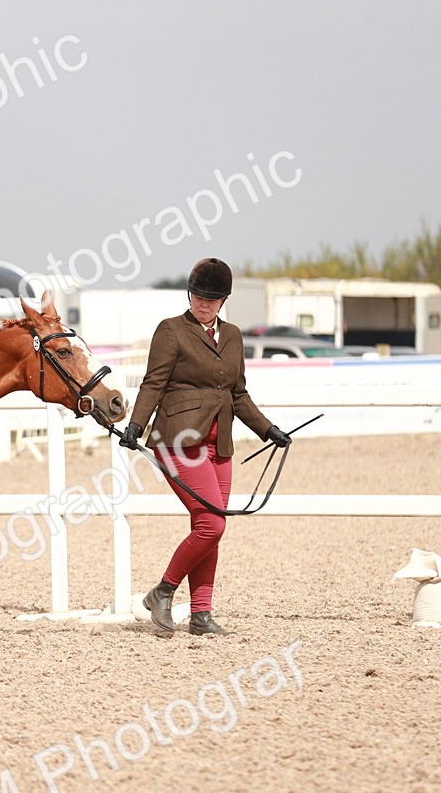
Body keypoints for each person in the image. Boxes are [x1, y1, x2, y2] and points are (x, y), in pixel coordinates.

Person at [120, 258, 291, 636]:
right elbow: (154, 383)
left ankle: (200, 615)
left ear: (224, 300)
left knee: (208, 527)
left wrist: (268, 430)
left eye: (212, 299)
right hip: (179, 439)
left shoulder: (232, 336)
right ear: (189, 294)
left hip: (220, 446)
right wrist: (135, 424)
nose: (204, 304)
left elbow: (238, 393)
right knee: (212, 524)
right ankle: (162, 592)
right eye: (199, 296)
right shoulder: (171, 331)